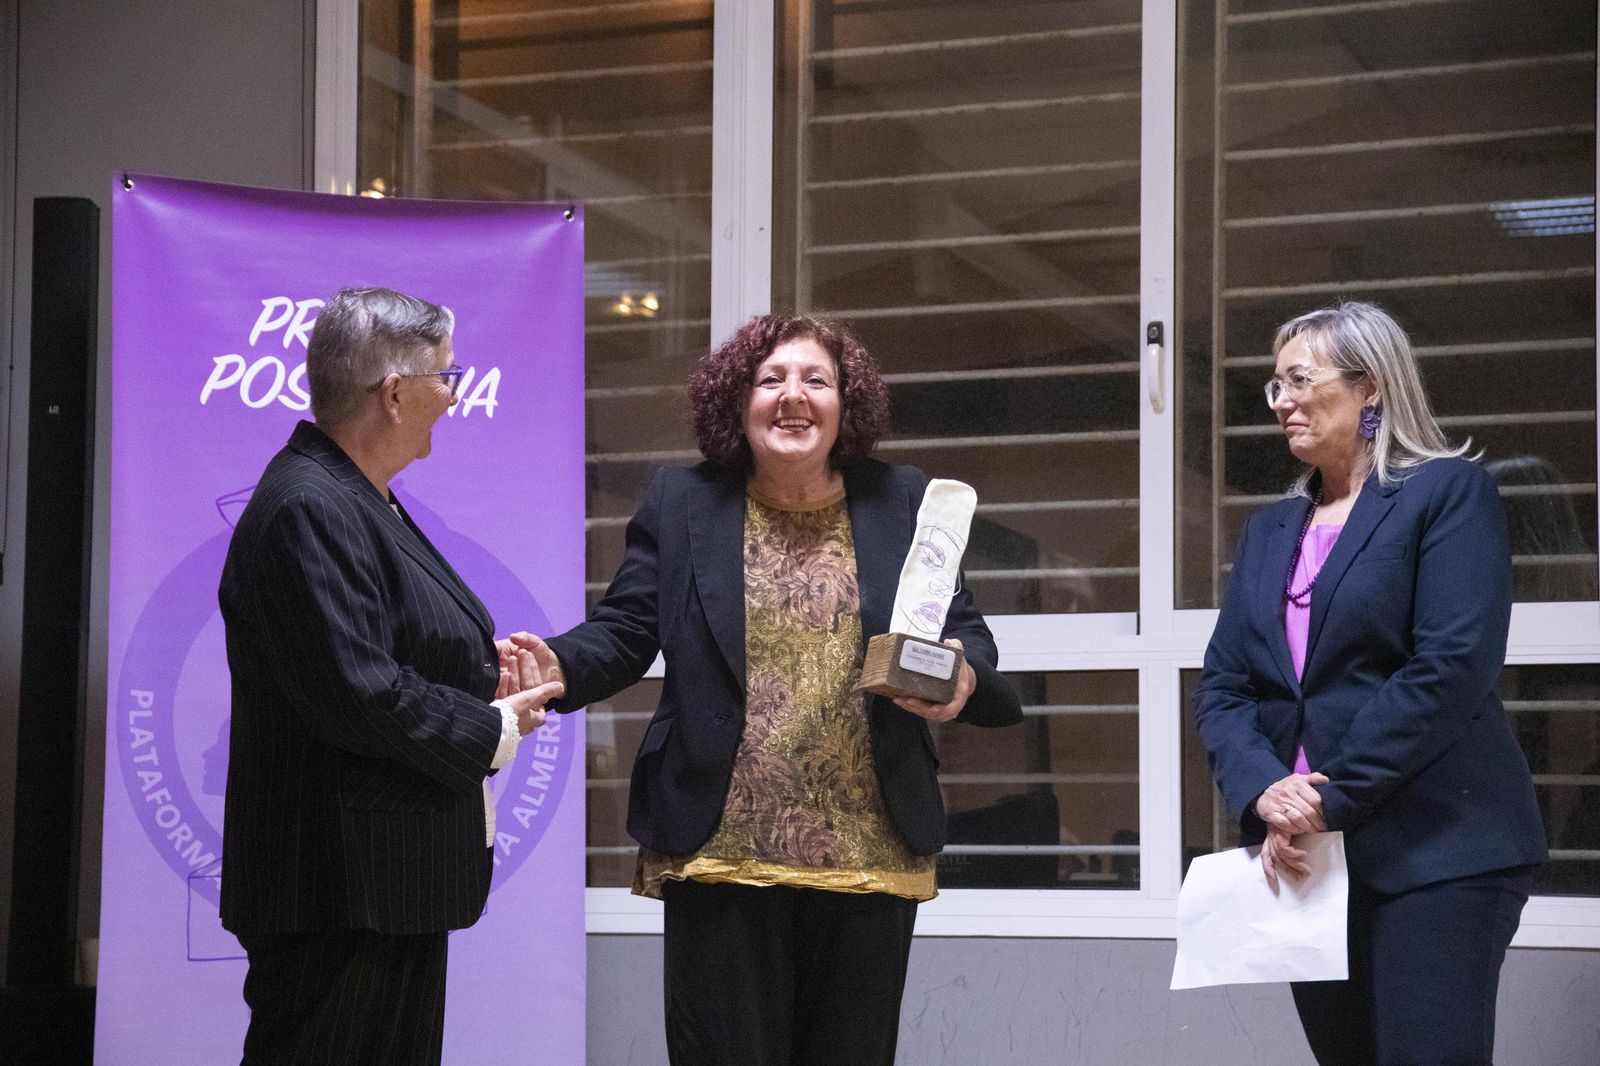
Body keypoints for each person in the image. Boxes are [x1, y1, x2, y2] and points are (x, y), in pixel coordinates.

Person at [514, 313, 1022, 1065]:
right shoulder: (682, 502)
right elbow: (625, 629)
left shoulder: (901, 500)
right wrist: (555, 667)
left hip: (871, 849)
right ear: (736, 402)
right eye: (770, 380)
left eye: (816, 380)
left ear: (847, 404)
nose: (793, 397)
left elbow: (966, 632)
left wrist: (960, 673)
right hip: (720, 846)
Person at [1194, 301, 1547, 1066]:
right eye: (1273, 386)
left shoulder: (1447, 494)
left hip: (1438, 850)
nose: (1281, 400)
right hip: (1311, 861)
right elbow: (1225, 686)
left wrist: (1323, 796)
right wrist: (1263, 791)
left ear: (1371, 389)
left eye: (1298, 379)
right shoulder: (1269, 532)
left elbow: (1448, 668)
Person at [218, 287, 562, 1065]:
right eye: (448, 376)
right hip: (338, 892)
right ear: (396, 394)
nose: (455, 393)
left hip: (383, 887)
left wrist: (488, 684)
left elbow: (389, 661)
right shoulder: (309, 505)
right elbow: (360, 693)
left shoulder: (359, 498)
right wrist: (494, 728)